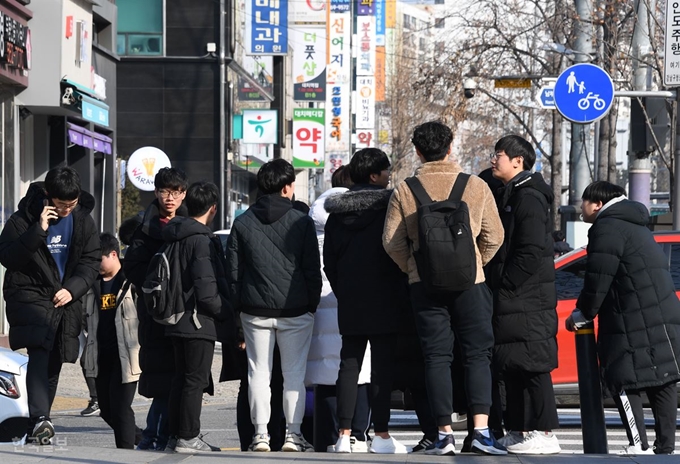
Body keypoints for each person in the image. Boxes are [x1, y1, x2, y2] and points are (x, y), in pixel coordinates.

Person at [383, 121, 505, 456]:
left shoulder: (406, 190)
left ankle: (443, 434)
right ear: (450, 148)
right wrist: (475, 263)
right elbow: (495, 236)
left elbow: (391, 242)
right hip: (472, 285)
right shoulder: (476, 186)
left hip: (424, 285)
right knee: (478, 355)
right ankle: (480, 431)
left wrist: (413, 268)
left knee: (436, 356)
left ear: (418, 151)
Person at [566, 181, 680, 455]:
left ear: (597, 203)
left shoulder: (606, 228)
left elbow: (598, 277)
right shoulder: (635, 224)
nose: (581, 207)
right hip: (661, 313)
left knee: (622, 377)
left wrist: (583, 311)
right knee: (662, 378)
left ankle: (638, 444)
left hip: (629, 317)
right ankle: (665, 447)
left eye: (584, 201)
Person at [226, 158, 322, 453]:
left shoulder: (242, 222)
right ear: (285, 187)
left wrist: (238, 311)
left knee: (258, 373)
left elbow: (233, 274)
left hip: (254, 311)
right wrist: (311, 304)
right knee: (294, 374)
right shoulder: (301, 221)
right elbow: (311, 269)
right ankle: (293, 435)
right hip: (295, 310)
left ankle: (260, 435)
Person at [0, 166, 100, 445]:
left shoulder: (83, 220)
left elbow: (90, 261)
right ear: (48, 196)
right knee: (40, 353)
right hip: (32, 297)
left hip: (65, 298)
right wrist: (38, 230)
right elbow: (8, 257)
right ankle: (40, 418)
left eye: (73, 203)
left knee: (56, 359)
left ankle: (40, 421)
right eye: (61, 204)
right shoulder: (23, 219)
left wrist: (74, 289)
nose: (67, 209)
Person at [324, 149, 409, 454]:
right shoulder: (391, 209)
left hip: (351, 298)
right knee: (382, 368)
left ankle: (343, 435)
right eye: (386, 171)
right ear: (374, 176)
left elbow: (329, 262)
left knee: (349, 364)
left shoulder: (336, 214)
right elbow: (400, 251)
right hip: (387, 296)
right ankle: (382, 435)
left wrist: (344, 289)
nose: (389, 176)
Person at [486, 135, 561, 455]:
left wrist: (505, 283)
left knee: (533, 366)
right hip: (516, 298)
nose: (493, 160)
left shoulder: (528, 196)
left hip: (527, 297)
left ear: (518, 161)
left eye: (499, 155)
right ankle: (519, 430)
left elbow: (530, 251)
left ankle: (545, 432)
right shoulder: (511, 192)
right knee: (513, 365)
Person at [306, 165, 373, 453]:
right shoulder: (358, 216)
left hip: (320, 305)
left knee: (324, 373)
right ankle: (357, 433)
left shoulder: (313, 221)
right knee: (358, 371)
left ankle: (325, 436)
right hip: (353, 301)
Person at [161, 181, 232, 453]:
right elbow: (206, 288)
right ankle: (188, 438)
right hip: (196, 320)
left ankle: (175, 436)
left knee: (181, 379)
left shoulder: (174, 234)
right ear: (213, 208)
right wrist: (225, 311)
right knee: (195, 381)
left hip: (174, 317)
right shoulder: (201, 239)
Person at [123, 167, 188, 451]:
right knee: (163, 378)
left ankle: (166, 435)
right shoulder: (145, 227)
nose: (169, 198)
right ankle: (154, 436)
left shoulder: (189, 224)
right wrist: (157, 285)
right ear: (156, 192)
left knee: (180, 377)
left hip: (184, 312)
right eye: (164, 191)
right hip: (155, 313)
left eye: (175, 192)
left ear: (184, 194)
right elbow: (132, 268)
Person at [81, 233, 140, 448]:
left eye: (99, 259)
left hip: (126, 356)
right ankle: (142, 439)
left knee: (121, 408)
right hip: (100, 356)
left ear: (113, 254)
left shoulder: (131, 280)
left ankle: (125, 454)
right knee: (106, 410)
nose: (95, 265)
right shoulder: (90, 284)